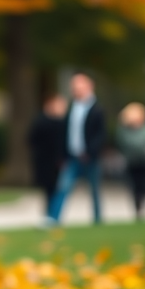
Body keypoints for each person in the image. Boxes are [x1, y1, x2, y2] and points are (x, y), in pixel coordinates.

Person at [47, 72, 105, 224]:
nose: (76, 90)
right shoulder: (72, 108)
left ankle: (98, 219)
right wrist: (62, 155)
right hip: (72, 156)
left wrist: (90, 151)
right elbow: (65, 134)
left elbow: (100, 135)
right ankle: (53, 218)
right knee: (63, 187)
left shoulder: (97, 109)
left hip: (89, 156)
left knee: (94, 190)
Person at [116, 102, 145, 219]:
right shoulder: (125, 130)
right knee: (134, 188)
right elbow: (125, 144)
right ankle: (137, 207)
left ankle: (142, 206)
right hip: (132, 162)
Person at [28, 93, 67, 216]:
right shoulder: (44, 122)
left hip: (55, 162)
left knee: (55, 189)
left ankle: (52, 214)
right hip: (47, 162)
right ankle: (51, 214)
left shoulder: (60, 122)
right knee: (51, 189)